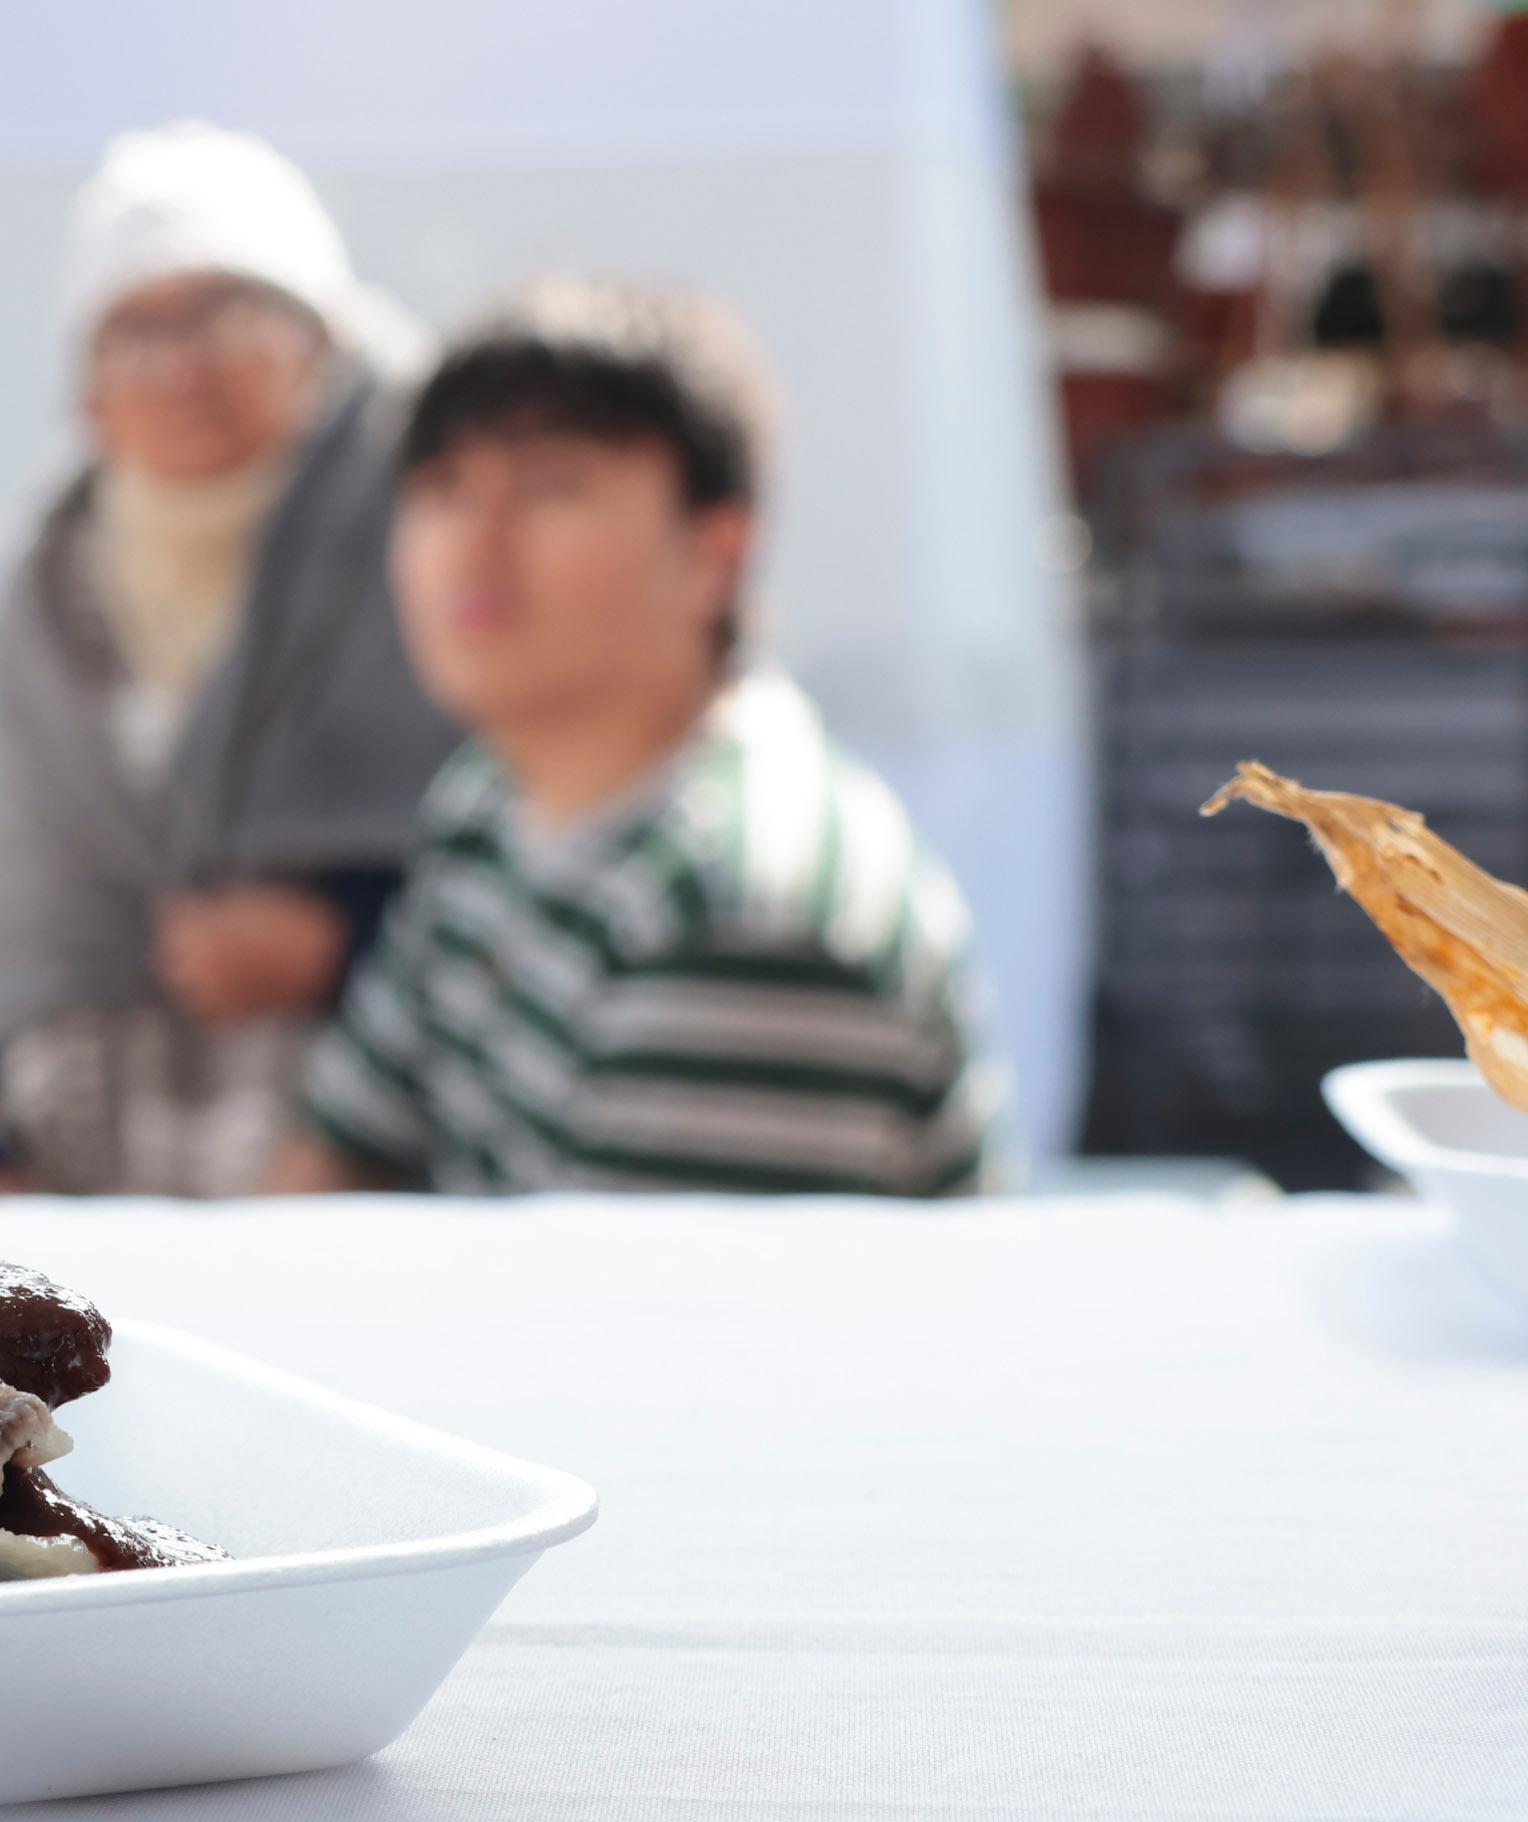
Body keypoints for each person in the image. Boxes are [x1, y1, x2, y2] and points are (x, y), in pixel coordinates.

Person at [267, 278, 1003, 1197]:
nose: (474, 541)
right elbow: (341, 1146)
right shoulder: (490, 796)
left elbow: (641, 1332)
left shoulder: (740, 910)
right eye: (442, 487)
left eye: (549, 487)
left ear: (714, 553)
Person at [0, 123, 459, 1196]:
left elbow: (522, 831)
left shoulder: (427, 521)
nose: (182, 366)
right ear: (87, 394)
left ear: (323, 337)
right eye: (134, 331)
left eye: (226, 313)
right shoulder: (50, 582)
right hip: (93, 1166)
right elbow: (29, 893)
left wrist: (342, 933)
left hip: (369, 1150)